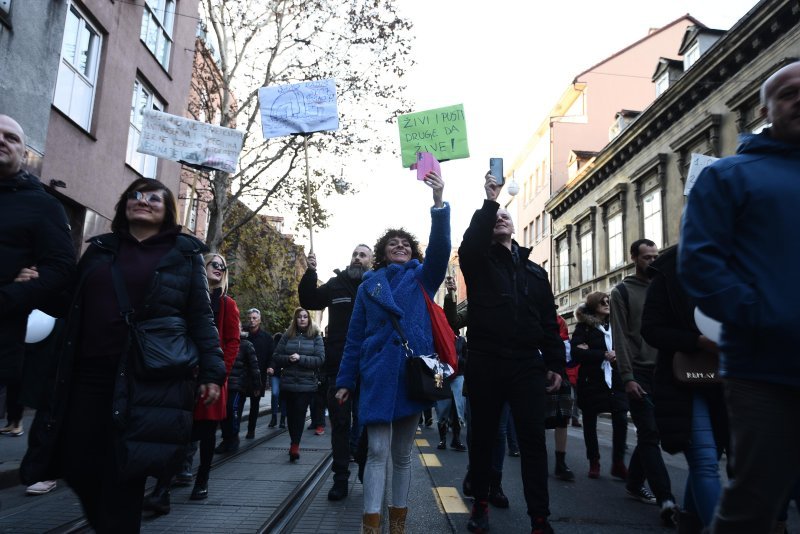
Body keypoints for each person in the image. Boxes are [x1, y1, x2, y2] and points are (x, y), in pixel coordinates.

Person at [20, 178, 226, 533]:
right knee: (77, 464)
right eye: (135, 195)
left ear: (167, 211)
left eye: (153, 197)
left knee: (123, 473)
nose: (142, 201)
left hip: (144, 381)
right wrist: (35, 284)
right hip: (85, 376)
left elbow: (200, 317)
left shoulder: (184, 254)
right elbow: (70, 301)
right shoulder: (101, 249)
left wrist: (212, 371)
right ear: (123, 205)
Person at [678, 61, 800, 533]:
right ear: (765, 109)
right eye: (788, 92)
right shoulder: (729, 176)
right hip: (764, 368)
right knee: (754, 504)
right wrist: (768, 316)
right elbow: (700, 266)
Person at [335, 170, 449, 534]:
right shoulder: (370, 287)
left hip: (411, 376)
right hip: (377, 374)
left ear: (413, 251)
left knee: (402, 455)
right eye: (393, 243)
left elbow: (442, 248)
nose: (400, 246)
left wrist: (438, 202)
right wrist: (345, 380)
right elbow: (354, 337)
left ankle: (397, 525)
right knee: (377, 453)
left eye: (406, 243)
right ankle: (371, 525)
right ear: (383, 253)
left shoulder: (423, 279)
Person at [459, 172, 564, 534]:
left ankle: (540, 518)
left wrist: (555, 364)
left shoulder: (535, 272)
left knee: (533, 441)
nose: (502, 217)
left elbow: (548, 320)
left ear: (516, 228)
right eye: (496, 217)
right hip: (487, 361)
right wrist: (490, 201)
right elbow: (469, 243)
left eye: (506, 215)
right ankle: (481, 507)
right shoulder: (478, 261)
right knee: (484, 438)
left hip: (525, 364)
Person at [641, 245, 728, 531]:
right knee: (705, 462)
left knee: (711, 459)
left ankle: (689, 524)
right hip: (686, 380)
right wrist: (698, 341)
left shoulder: (741, 260)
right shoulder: (669, 270)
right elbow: (651, 329)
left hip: (731, 381)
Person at [144, 253, 239, 513]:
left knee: (207, 433)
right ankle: (162, 488)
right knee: (176, 432)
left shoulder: (227, 304)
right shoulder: (184, 297)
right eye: (214, 264)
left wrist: (220, 373)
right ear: (202, 267)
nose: (219, 269)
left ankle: (202, 480)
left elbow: (232, 341)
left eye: (223, 266)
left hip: (212, 378)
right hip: (183, 374)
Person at [0, 115, 75, 439]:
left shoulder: (43, 206)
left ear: (23, 151)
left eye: (11, 137)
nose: (3, 140)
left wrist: (9, 296)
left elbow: (60, 269)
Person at [611, 239, 679, 525]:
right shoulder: (622, 292)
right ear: (634, 258)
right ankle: (666, 498)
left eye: (655, 256)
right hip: (637, 371)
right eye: (647, 257)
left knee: (655, 433)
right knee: (649, 432)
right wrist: (627, 377)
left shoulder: (664, 287)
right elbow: (621, 338)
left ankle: (634, 481)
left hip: (665, 371)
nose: (652, 261)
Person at [298, 244, 373, 500]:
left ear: (371, 262)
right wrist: (310, 273)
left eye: (363, 254)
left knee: (366, 423)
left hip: (369, 368)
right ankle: (340, 478)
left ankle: (364, 466)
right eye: (354, 253)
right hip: (338, 368)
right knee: (340, 424)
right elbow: (308, 300)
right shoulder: (335, 284)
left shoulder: (376, 285)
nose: (357, 257)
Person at [571, 292, 629, 481]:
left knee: (621, 417)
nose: (607, 304)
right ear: (593, 305)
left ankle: (618, 462)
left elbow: (627, 347)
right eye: (602, 302)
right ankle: (594, 461)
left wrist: (615, 355)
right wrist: (602, 354)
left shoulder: (617, 325)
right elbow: (576, 352)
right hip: (592, 381)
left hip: (615, 379)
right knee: (589, 421)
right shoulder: (584, 327)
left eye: (608, 302)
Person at [272, 307, 325, 462]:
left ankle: (295, 444)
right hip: (288, 383)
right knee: (290, 414)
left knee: (300, 413)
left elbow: (320, 359)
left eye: (305, 317)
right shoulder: (287, 336)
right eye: (299, 317)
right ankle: (293, 441)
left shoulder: (315, 336)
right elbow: (276, 356)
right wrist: (289, 359)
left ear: (309, 319)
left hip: (306, 383)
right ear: (295, 320)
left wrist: (301, 358)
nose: (302, 319)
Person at [216, 325, 262, 453]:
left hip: (237, 386)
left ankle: (233, 438)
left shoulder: (246, 345)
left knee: (232, 410)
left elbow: (254, 366)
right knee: (223, 413)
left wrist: (257, 385)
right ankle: (226, 438)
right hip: (223, 384)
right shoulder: (221, 343)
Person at [243, 308, 274, 439]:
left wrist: (270, 367)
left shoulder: (266, 338)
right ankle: (232, 432)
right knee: (237, 403)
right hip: (243, 374)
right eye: (250, 318)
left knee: (255, 404)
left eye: (254, 318)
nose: (252, 320)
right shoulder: (242, 335)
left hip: (258, 375)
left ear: (259, 320)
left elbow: (271, 355)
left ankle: (251, 429)